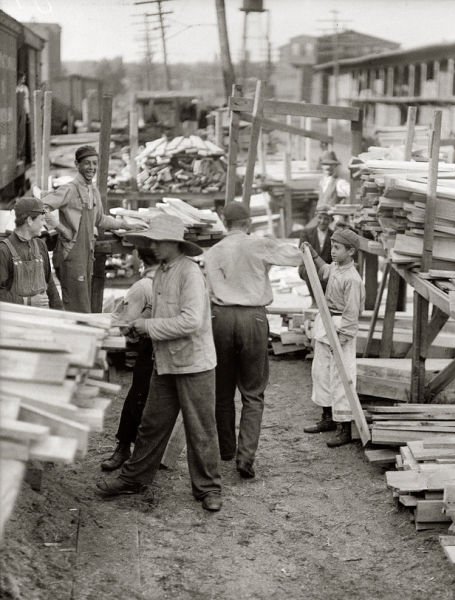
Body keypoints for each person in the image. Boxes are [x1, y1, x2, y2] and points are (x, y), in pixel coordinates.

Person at [96, 215, 222, 512]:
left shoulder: (189, 273)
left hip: (194, 364)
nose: (151, 246)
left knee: (201, 430)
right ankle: (134, 478)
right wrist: (135, 324)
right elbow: (161, 314)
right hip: (166, 361)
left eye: (156, 241)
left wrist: (148, 327)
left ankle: (208, 488)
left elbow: (191, 321)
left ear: (173, 244)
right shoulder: (163, 272)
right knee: (151, 425)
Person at [203, 202, 302, 479]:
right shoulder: (258, 244)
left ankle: (226, 449)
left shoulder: (213, 252)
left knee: (222, 390)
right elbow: (296, 257)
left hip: (220, 318)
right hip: (252, 319)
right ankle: (245, 457)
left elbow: (207, 288)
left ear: (225, 223)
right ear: (248, 222)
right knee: (253, 392)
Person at [42, 145, 141, 313]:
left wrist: (126, 225)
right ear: (77, 164)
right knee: (76, 306)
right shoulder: (69, 189)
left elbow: (100, 219)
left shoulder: (93, 191)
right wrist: (61, 229)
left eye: (95, 163)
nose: (92, 168)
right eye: (87, 163)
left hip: (87, 255)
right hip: (71, 255)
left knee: (83, 304)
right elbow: (41, 206)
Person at [302, 228, 364, 445]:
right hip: (325, 322)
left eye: (337, 248)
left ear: (351, 251)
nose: (333, 251)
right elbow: (325, 269)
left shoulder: (352, 279)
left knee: (341, 377)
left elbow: (352, 312)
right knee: (321, 372)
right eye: (332, 246)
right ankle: (327, 417)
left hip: (340, 327)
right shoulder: (336, 268)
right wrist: (313, 254)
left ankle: (345, 428)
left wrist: (342, 337)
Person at [100, 247, 159, 472]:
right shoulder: (159, 283)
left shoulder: (143, 286)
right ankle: (125, 448)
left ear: (142, 262)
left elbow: (123, 322)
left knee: (140, 398)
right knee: (140, 396)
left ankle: (132, 450)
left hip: (158, 345)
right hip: (159, 346)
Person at [0, 198, 62, 309]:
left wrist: (60, 314)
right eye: (42, 220)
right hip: (17, 322)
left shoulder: (41, 245)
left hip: (42, 319)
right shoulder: (4, 251)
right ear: (29, 220)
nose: (44, 225)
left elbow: (49, 284)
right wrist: (27, 301)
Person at [298, 203, 334, 305]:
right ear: (316, 217)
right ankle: (314, 301)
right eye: (320, 218)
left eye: (326, 219)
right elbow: (303, 252)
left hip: (325, 267)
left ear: (331, 220)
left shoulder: (334, 235)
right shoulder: (306, 232)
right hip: (308, 266)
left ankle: (325, 301)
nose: (322, 221)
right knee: (309, 269)